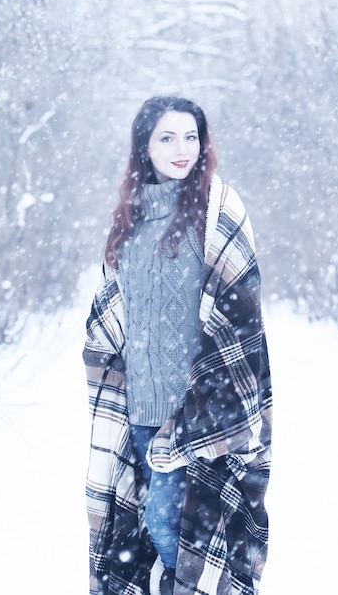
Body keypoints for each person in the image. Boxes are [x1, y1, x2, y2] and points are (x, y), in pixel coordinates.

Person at [82, 96, 273, 595]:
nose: (181, 148)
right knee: (140, 537)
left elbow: (239, 318)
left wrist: (202, 407)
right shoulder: (130, 222)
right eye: (167, 137)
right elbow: (114, 317)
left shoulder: (218, 211)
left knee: (177, 536)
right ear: (144, 146)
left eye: (191, 136)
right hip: (140, 412)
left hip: (199, 415)